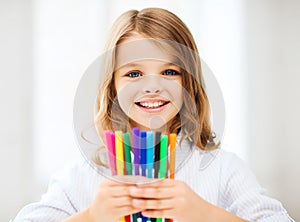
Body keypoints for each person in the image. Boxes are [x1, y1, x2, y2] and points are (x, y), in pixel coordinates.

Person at [13, 7, 294, 222]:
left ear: (189, 83)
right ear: (112, 86)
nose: (152, 86)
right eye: (133, 73)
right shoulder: (83, 175)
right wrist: (91, 217)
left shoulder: (222, 169)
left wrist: (207, 214)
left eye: (169, 72)